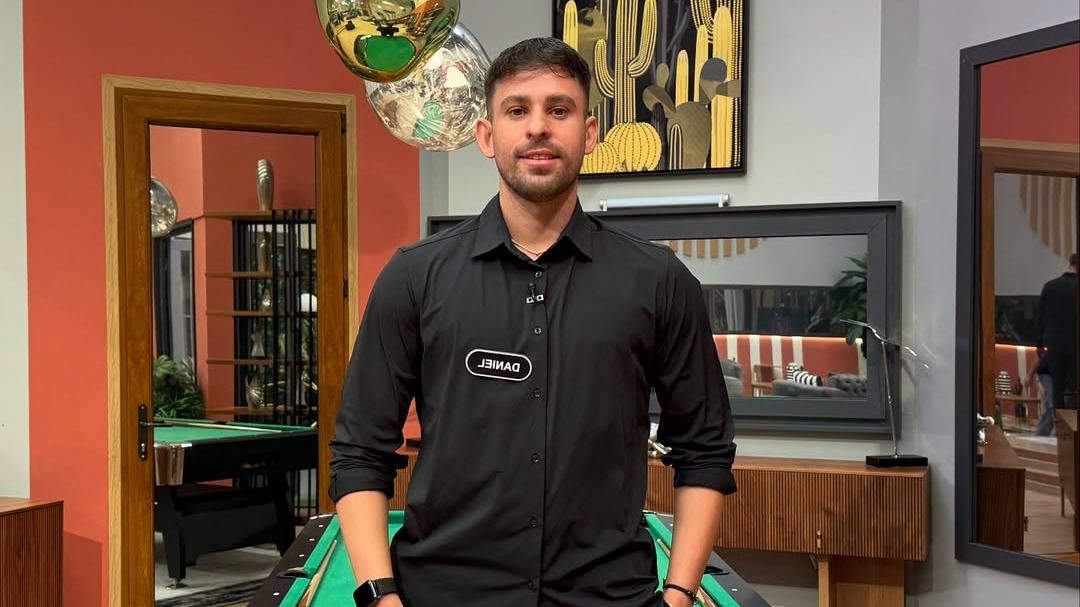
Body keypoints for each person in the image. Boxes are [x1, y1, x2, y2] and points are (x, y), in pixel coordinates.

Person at [328, 37, 737, 607]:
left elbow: (705, 452)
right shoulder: (414, 278)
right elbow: (359, 454)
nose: (538, 127)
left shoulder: (660, 282)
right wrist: (380, 597)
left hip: (608, 597)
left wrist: (679, 595)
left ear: (589, 134)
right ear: (487, 135)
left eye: (559, 109)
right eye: (517, 110)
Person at [1035, 253, 1078, 416]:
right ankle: (1073, 424)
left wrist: (1039, 345)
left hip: (1055, 345)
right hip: (1076, 346)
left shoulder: (1050, 286)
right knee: (1075, 389)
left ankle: (1059, 425)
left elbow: (1040, 318)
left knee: (1057, 389)